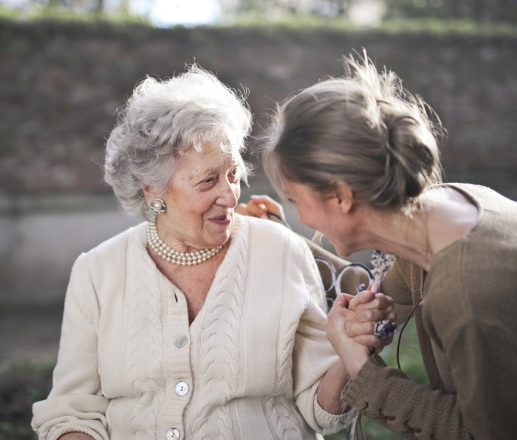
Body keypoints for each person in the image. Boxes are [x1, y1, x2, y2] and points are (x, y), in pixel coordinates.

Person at [31, 65, 395, 440]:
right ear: (152, 190)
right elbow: (71, 411)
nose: (230, 195)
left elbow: (322, 412)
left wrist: (349, 351)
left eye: (233, 174)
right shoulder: (97, 271)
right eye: (208, 180)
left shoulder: (280, 252)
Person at [252, 52, 517, 439]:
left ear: (342, 197)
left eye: (296, 201)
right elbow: (383, 290)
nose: (304, 219)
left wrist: (364, 372)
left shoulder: (465, 295)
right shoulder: (450, 206)